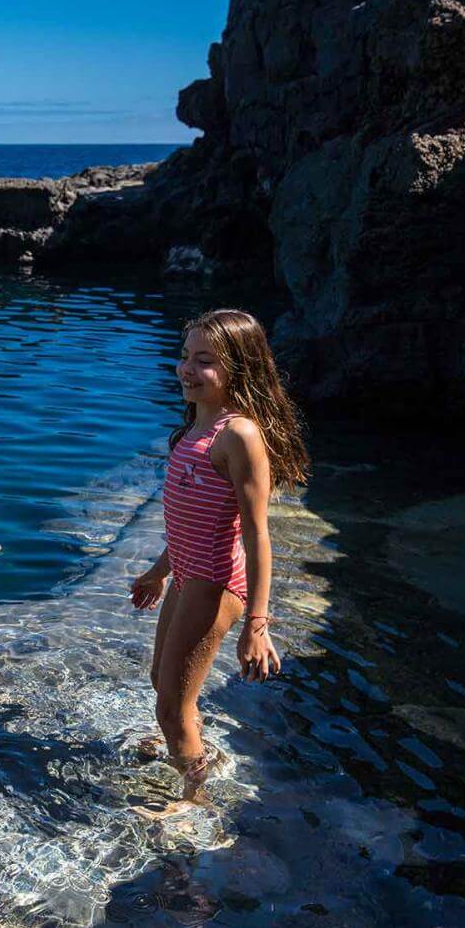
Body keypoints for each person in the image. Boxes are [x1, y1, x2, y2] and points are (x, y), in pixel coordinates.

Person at [130, 309, 309, 802]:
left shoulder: (240, 435)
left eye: (204, 361)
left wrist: (257, 622)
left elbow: (256, 534)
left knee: (170, 705)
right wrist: (158, 571)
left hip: (214, 583)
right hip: (188, 576)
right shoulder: (195, 428)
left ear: (239, 369)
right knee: (162, 683)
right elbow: (192, 522)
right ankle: (193, 743)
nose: (187, 369)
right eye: (185, 356)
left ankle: (194, 800)